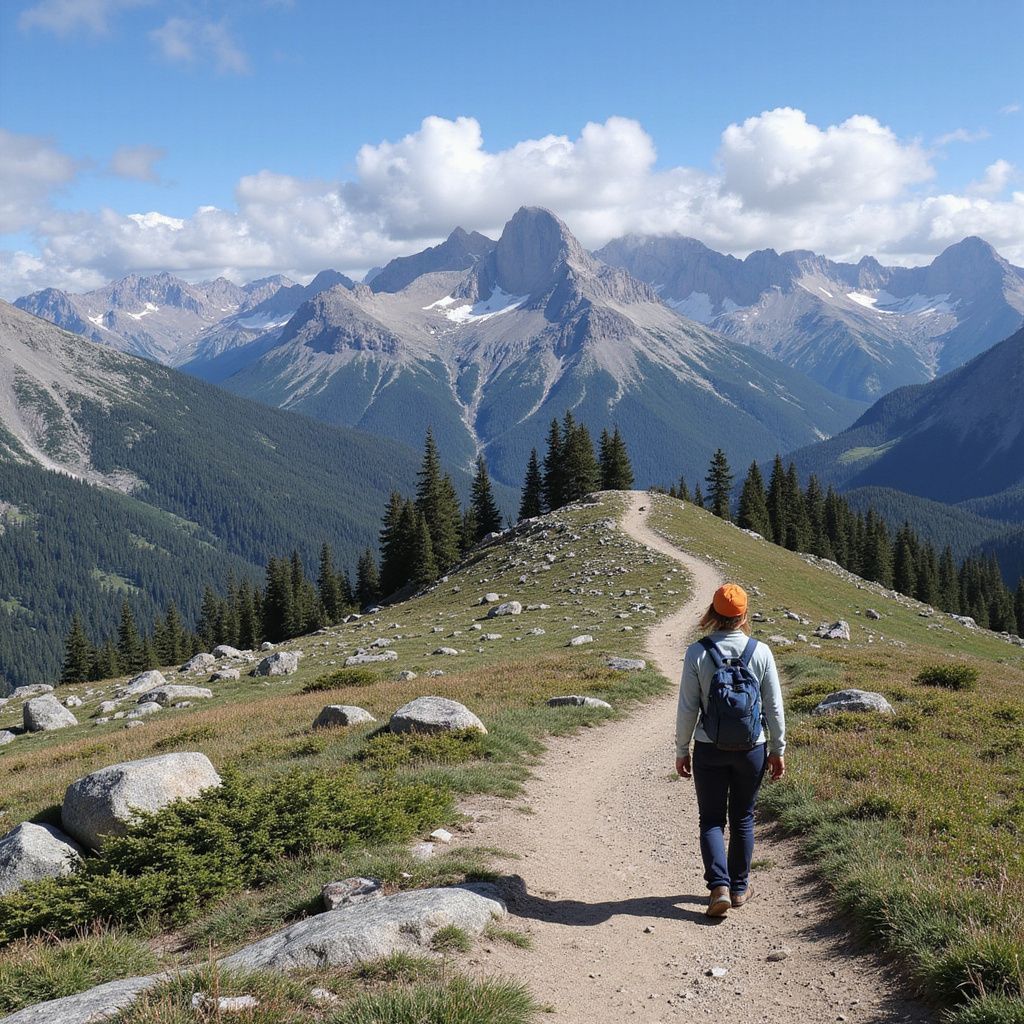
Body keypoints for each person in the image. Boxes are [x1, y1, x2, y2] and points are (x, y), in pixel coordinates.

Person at [675, 583, 786, 917]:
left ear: (713, 613)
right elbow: (774, 707)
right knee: (743, 819)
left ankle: (718, 887)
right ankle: (739, 889)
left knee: (711, 820)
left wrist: (682, 749)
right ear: (744, 614)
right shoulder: (761, 651)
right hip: (752, 748)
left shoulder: (698, 652)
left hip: (709, 748)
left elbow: (687, 708)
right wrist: (778, 749)